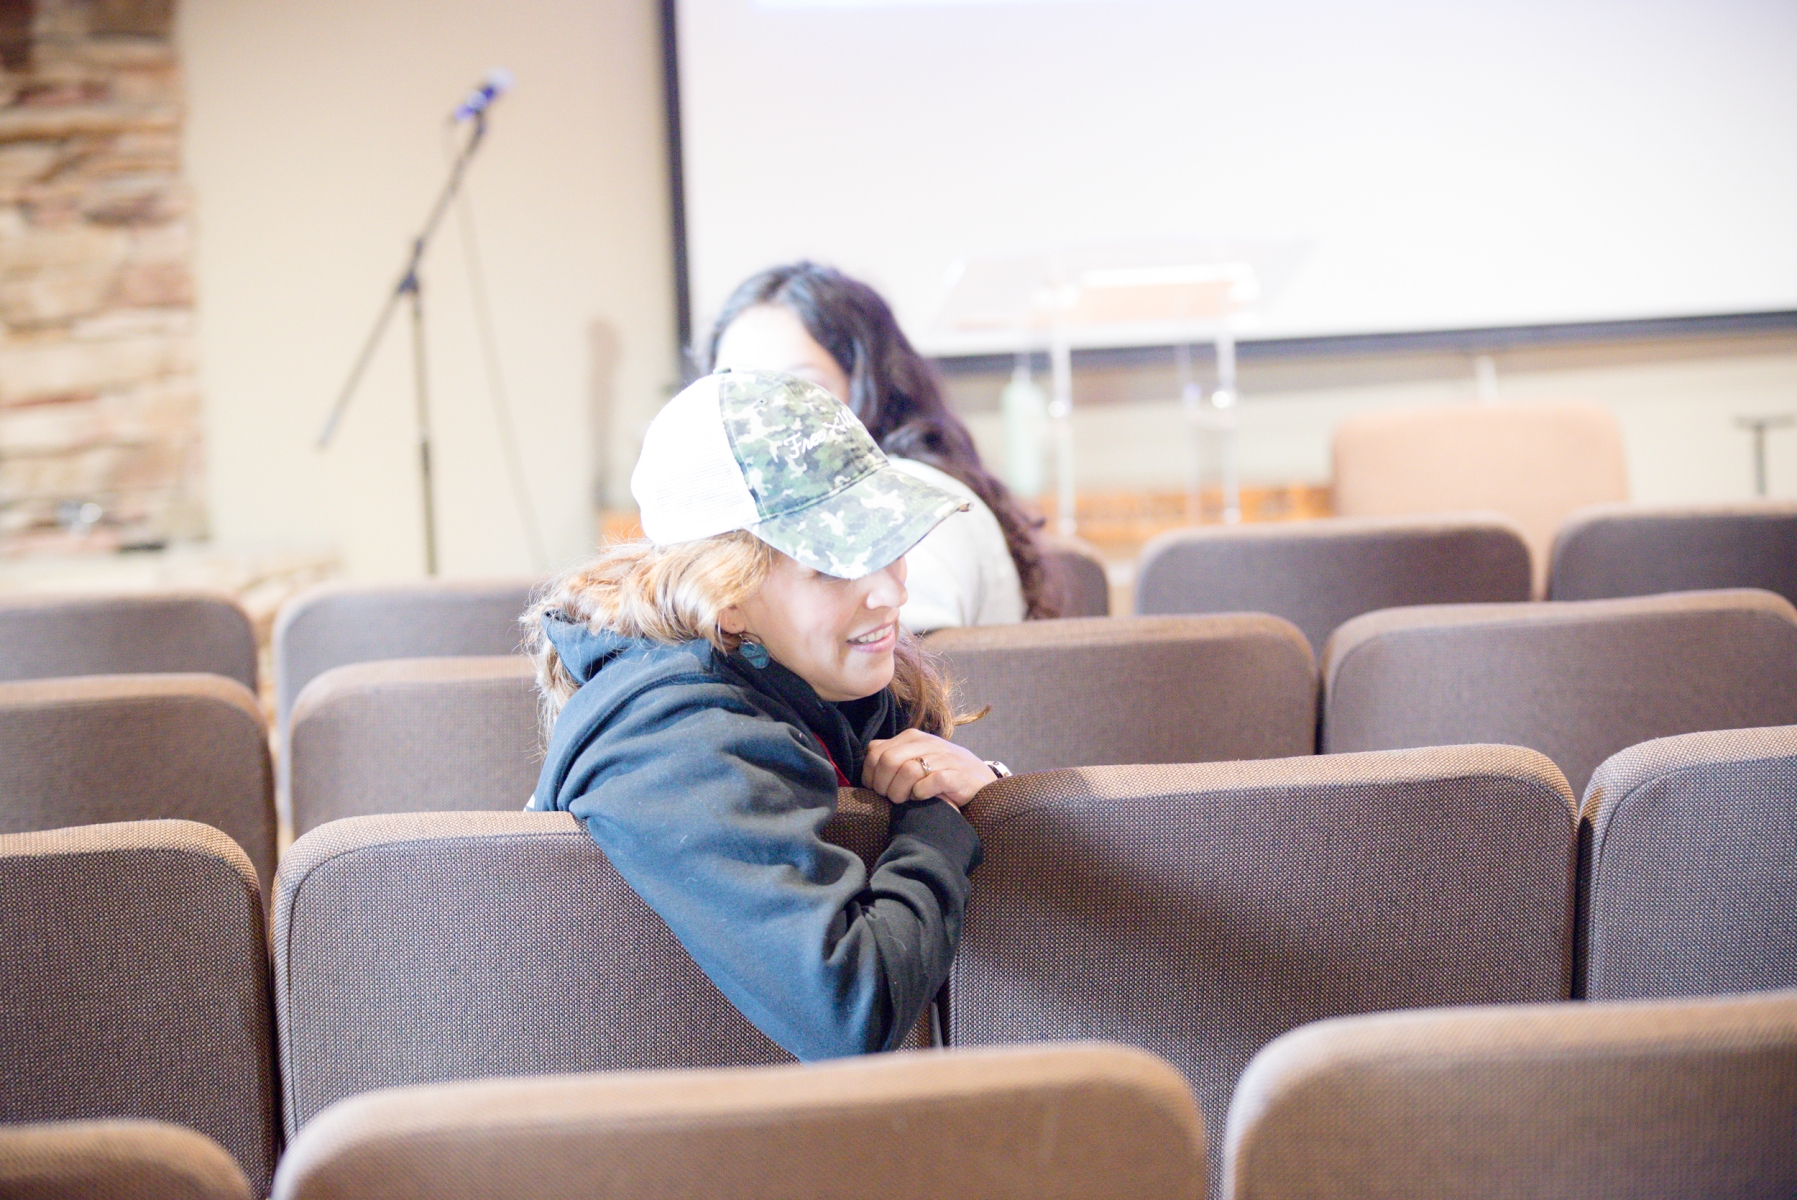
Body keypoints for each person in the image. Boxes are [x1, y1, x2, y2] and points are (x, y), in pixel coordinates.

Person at [523, 369, 1002, 1061]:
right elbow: (850, 1013)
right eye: (834, 566)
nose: (891, 590)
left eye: (886, 542)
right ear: (724, 598)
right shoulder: (676, 741)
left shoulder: (817, 677)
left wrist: (977, 790)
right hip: (655, 1119)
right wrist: (940, 821)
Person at [706, 261, 1057, 630]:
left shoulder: (906, 499)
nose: (764, 421)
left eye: (802, 390)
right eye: (737, 394)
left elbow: (886, 643)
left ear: (872, 388)